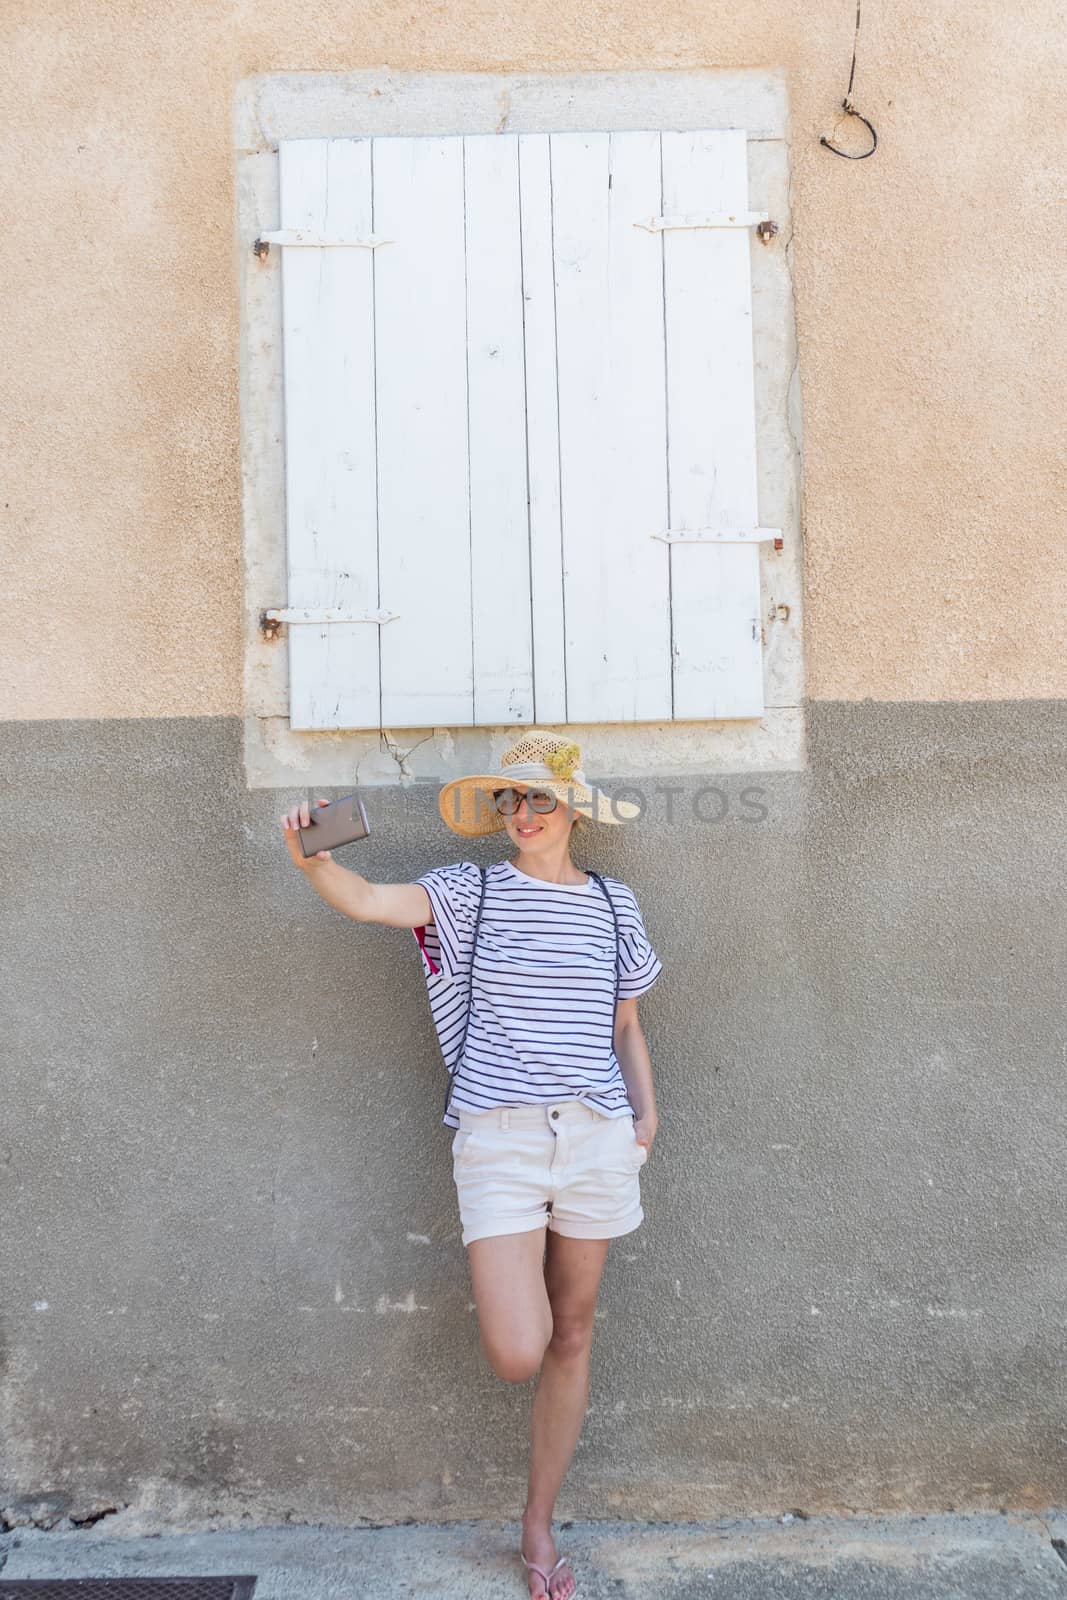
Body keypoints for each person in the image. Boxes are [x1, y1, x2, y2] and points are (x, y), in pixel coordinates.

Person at [281, 730, 662, 1600]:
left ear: (572, 810)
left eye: (536, 799)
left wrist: (646, 1114)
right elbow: (371, 899)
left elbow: (625, 1024)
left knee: (573, 1333)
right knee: (518, 1351)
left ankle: (536, 1526)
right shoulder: (469, 893)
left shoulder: (613, 903)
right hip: (500, 1139)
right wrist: (310, 859)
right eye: (509, 800)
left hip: (599, 1136)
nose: (520, 815)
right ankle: (532, 1515)